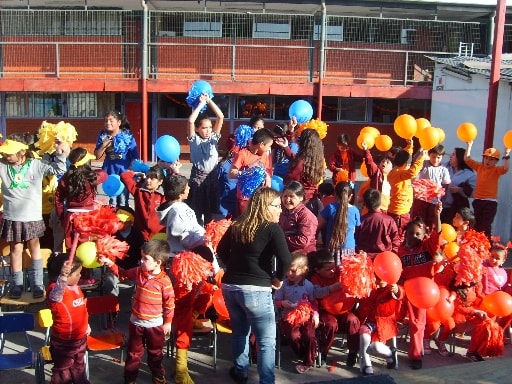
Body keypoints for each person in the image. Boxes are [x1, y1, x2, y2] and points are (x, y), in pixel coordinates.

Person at [217, 187, 292, 384]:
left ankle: (241, 371)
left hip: (231, 287)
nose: (280, 210)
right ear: (265, 207)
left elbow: (221, 250)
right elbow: (286, 259)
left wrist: (233, 266)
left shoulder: (238, 225)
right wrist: (279, 278)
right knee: (266, 340)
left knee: (240, 331)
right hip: (256, 289)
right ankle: (266, 381)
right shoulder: (272, 228)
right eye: (276, 206)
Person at [0, 134, 69, 299]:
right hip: (12, 217)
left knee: (34, 248)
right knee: (16, 249)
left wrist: (60, 152)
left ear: (22, 152)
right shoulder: (2, 165)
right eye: (5, 153)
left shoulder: (36, 164)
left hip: (31, 216)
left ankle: (37, 283)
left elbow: (59, 169)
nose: (6, 156)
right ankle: (17, 284)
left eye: (10, 153)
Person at [99, 239, 174, 384]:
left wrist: (168, 322)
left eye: (145, 259)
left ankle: (157, 375)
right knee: (133, 353)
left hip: (155, 325)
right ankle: (130, 378)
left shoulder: (165, 282)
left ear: (158, 262)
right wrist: (109, 263)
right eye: (142, 257)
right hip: (136, 323)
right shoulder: (139, 272)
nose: (141, 261)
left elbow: (170, 304)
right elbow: (123, 274)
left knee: (155, 353)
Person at [397, 204, 442, 370]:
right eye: (411, 233)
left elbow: (437, 236)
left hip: (421, 294)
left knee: (418, 323)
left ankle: (416, 355)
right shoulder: (400, 252)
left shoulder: (427, 248)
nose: (414, 236)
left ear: (424, 236)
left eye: (418, 234)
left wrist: (437, 215)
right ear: (405, 234)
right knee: (391, 316)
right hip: (404, 290)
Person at [309, 249, 360, 368]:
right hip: (326, 311)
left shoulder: (339, 272)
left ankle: (353, 351)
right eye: (327, 270)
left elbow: (353, 280)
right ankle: (324, 351)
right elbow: (317, 293)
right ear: (317, 270)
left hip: (343, 309)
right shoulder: (315, 278)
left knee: (352, 320)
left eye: (333, 268)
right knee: (330, 324)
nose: (332, 271)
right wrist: (333, 288)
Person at [47, 253, 90, 384]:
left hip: (79, 339)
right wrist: (63, 277)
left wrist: (86, 325)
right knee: (63, 373)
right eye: (77, 274)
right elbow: (57, 292)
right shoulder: (55, 290)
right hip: (63, 343)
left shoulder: (76, 288)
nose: (80, 276)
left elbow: (82, 309)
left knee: (79, 368)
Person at [274, 252, 319, 374]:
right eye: (288, 270)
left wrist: (315, 314)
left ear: (304, 270)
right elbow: (276, 301)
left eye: (293, 271)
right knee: (294, 336)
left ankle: (307, 361)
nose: (290, 274)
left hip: (305, 317)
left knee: (309, 335)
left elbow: (313, 302)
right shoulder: (283, 285)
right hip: (288, 317)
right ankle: (305, 354)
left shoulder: (308, 286)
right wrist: (283, 303)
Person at [187, 93, 224, 226]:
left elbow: (220, 117)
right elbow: (191, 120)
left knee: (211, 214)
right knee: (195, 211)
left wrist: (209, 100)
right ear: (197, 129)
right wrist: (201, 104)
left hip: (212, 178)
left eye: (209, 127)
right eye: (204, 127)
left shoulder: (214, 138)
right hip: (198, 178)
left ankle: (210, 237)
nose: (208, 130)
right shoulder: (194, 140)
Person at [54, 147, 102, 250]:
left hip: (70, 217)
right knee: (87, 248)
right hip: (88, 217)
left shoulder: (65, 178)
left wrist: (62, 215)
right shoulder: (93, 177)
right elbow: (105, 174)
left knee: (71, 248)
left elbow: (58, 198)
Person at [463, 141, 510, 239]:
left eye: (492, 159)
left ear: (496, 161)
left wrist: (506, 155)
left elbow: (505, 168)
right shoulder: (479, 167)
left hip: (490, 202)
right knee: (476, 225)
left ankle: (487, 246)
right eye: (486, 158)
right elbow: (467, 159)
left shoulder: (496, 170)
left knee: (486, 225)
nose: (488, 161)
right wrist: (469, 146)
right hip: (478, 201)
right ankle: (475, 245)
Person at [356, 279, 402, 376]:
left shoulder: (390, 289)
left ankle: (390, 352)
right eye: (377, 276)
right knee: (364, 336)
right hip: (368, 322)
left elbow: (400, 294)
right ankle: (367, 364)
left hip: (384, 324)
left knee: (375, 346)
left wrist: (397, 290)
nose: (380, 279)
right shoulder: (369, 287)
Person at [275, 127, 325, 216]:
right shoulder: (317, 160)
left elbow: (290, 180)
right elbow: (297, 160)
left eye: (300, 139)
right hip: (311, 200)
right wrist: (286, 148)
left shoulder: (301, 162)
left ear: (304, 143)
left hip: (298, 201)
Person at [94, 110, 139, 207]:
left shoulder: (128, 136)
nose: (108, 123)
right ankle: (113, 221)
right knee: (112, 202)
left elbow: (135, 156)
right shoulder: (103, 135)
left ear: (119, 122)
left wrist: (130, 171)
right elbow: (97, 156)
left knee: (123, 201)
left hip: (124, 171)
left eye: (111, 120)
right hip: (110, 171)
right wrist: (104, 145)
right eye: (106, 121)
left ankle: (123, 220)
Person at [228, 128, 274, 216]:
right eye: (269, 146)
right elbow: (231, 174)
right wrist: (246, 170)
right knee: (244, 225)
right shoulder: (242, 154)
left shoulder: (265, 155)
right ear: (261, 144)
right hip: (245, 198)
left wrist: (267, 179)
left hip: (260, 197)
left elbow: (268, 173)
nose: (269, 149)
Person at [102, 206, 145, 299]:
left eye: (122, 221)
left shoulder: (137, 233)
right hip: (116, 265)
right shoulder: (113, 233)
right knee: (109, 282)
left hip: (133, 265)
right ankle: (112, 305)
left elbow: (142, 249)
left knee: (142, 282)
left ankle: (136, 302)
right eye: (118, 221)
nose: (119, 223)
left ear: (130, 222)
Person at [387, 147, 427, 240]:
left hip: (400, 211)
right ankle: (397, 252)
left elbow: (405, 156)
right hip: (399, 213)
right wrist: (421, 158)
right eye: (409, 165)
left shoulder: (396, 171)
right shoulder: (398, 174)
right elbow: (412, 172)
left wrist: (410, 144)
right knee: (398, 236)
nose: (410, 166)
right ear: (405, 165)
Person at [120, 165, 166, 241]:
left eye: (152, 178)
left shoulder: (164, 195)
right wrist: (136, 173)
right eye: (147, 177)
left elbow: (177, 189)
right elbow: (124, 176)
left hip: (158, 236)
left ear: (160, 181)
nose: (148, 180)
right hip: (139, 234)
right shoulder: (138, 190)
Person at [317, 181, 360, 261]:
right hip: (349, 248)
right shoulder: (355, 210)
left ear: (335, 195)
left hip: (332, 246)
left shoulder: (330, 208)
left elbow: (318, 225)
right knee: (347, 272)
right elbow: (356, 229)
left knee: (332, 271)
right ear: (350, 196)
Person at [411, 144, 451, 230]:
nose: (435, 160)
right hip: (421, 198)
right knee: (418, 219)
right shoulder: (424, 164)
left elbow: (445, 185)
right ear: (429, 155)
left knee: (431, 221)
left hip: (434, 200)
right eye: (433, 157)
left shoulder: (443, 169)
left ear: (442, 157)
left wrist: (442, 200)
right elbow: (415, 161)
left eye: (438, 157)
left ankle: (428, 237)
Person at [355, 188, 400, 259]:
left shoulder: (362, 221)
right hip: (385, 258)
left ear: (365, 204)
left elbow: (356, 239)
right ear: (380, 202)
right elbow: (395, 240)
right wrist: (393, 255)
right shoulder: (389, 220)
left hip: (365, 258)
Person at [278, 181, 318, 254]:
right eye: (285, 196)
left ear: (301, 198)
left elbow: (303, 241)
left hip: (303, 257)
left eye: (291, 196)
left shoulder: (306, 215)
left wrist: (279, 240)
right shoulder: (283, 212)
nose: (287, 200)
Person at [441, 147, 476, 224]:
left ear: (459, 158)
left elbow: (474, 193)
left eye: (453, 155)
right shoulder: (444, 167)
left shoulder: (469, 174)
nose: (450, 156)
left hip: (455, 208)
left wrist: (460, 190)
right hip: (439, 205)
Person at [361, 141, 393, 212]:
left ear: (392, 167)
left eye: (387, 162)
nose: (384, 163)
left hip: (386, 208)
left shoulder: (393, 176)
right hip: (374, 207)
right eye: (383, 161)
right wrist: (366, 150)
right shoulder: (376, 173)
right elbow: (370, 163)